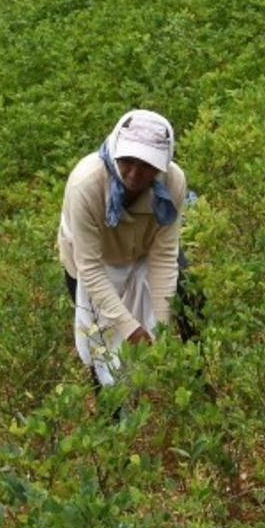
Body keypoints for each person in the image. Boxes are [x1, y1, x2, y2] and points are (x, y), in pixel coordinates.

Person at [57, 109, 189, 387]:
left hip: (142, 250)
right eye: (127, 160)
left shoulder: (173, 182)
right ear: (115, 149)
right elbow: (90, 269)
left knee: (189, 297)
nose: (134, 173)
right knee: (100, 343)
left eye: (147, 164)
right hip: (90, 261)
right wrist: (131, 329)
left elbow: (165, 257)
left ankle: (197, 378)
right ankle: (112, 414)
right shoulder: (87, 184)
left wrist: (161, 331)